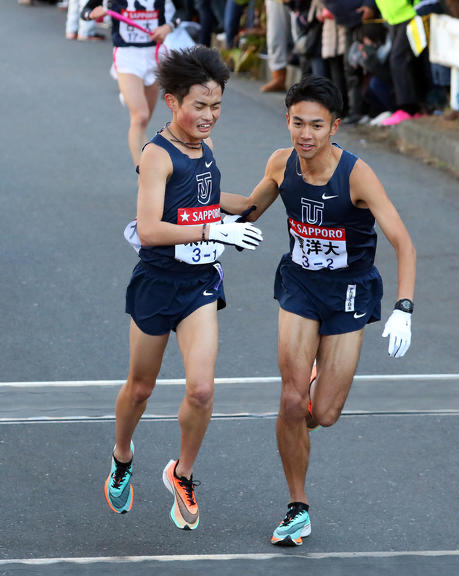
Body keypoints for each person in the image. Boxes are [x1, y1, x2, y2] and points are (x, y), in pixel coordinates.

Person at [220, 75, 416, 545]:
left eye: (316, 125)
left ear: (335, 127)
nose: (304, 135)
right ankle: (297, 506)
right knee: (289, 402)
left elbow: (403, 243)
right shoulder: (281, 163)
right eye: (296, 123)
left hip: (349, 291)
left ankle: (310, 392)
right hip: (300, 286)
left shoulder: (356, 175)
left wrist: (403, 307)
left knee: (322, 413)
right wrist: (192, 207)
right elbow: (248, 209)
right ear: (287, 120)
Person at [105, 46, 263, 530]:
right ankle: (123, 454)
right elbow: (150, 229)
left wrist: (277, 189)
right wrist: (212, 230)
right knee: (140, 388)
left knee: (201, 389)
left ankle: (183, 473)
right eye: (200, 106)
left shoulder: (204, 149)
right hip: (157, 283)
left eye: (217, 106)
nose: (209, 116)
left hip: (198, 286)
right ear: (172, 102)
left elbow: (214, 200)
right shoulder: (156, 154)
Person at [81, 0, 181, 167]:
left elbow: (184, 10)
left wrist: (168, 27)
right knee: (140, 117)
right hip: (127, 56)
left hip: (154, 56)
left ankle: (128, 95)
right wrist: (91, 14)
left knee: (144, 120)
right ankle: (145, 177)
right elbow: (86, 11)